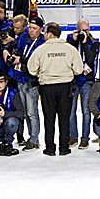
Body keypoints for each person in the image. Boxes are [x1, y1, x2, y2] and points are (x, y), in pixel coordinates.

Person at [29, 22, 84, 156]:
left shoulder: (41, 49)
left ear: (49, 34)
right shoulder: (70, 48)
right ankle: (64, 147)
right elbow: (79, 69)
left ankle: (50, 148)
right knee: (64, 118)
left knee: (49, 118)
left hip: (47, 87)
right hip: (65, 87)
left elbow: (31, 69)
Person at [6, 16, 45, 151]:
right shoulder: (24, 37)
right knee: (25, 112)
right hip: (20, 78)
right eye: (30, 28)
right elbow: (14, 45)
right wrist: (7, 50)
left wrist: (21, 59)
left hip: (31, 80)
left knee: (32, 111)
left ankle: (34, 139)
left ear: (41, 29)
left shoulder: (42, 42)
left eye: (35, 29)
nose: (31, 31)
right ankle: (30, 137)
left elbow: (37, 60)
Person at [66, 19, 98, 148]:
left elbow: (90, 59)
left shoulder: (94, 42)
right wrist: (74, 41)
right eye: (81, 30)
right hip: (72, 80)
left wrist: (84, 43)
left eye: (86, 30)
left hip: (87, 80)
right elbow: (67, 56)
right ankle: (73, 136)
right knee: (71, 110)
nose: (84, 33)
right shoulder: (70, 40)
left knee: (86, 110)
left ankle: (85, 138)